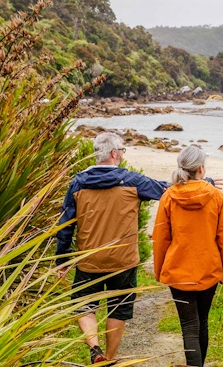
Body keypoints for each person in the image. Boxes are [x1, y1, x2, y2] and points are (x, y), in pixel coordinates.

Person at [55, 132, 170, 364]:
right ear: (115, 153)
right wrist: (203, 183)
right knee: (119, 309)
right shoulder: (133, 182)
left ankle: (95, 348)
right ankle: (112, 358)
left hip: (89, 259)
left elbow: (65, 225)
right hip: (123, 261)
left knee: (84, 306)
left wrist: (62, 260)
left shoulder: (78, 183)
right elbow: (167, 190)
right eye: (123, 151)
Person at [153, 146, 223, 367]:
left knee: (189, 325)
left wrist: (159, 270)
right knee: (202, 321)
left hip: (178, 271)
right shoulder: (216, 195)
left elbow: (161, 238)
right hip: (209, 269)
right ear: (201, 168)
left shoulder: (168, 196)